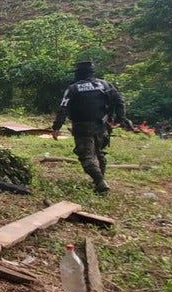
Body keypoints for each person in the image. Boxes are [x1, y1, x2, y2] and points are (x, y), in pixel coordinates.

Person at [52, 61, 134, 193]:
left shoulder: (73, 88)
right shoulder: (105, 84)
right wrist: (121, 118)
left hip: (82, 127)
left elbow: (63, 108)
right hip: (103, 125)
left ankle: (100, 181)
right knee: (99, 153)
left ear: (78, 73)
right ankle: (100, 180)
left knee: (86, 156)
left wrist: (56, 127)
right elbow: (119, 101)